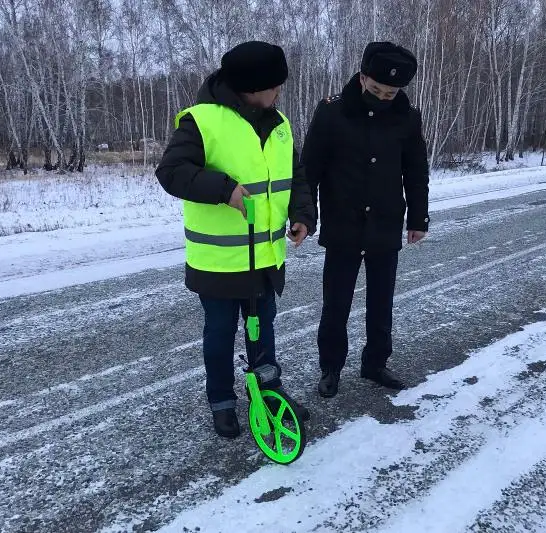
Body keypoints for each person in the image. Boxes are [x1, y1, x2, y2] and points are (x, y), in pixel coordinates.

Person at [155, 41, 316, 438]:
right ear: (251, 86)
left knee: (264, 329)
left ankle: (269, 391)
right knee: (221, 331)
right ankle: (222, 401)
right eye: (275, 85)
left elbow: (295, 177)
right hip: (219, 263)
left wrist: (302, 214)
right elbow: (171, 172)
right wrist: (223, 188)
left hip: (265, 257)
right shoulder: (202, 121)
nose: (280, 91)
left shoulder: (278, 124)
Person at [302, 41, 430, 398]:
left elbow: (416, 171)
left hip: (385, 225)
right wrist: (306, 216)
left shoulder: (407, 117)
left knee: (380, 302)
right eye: (376, 89)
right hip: (343, 225)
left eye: (391, 92)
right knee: (336, 304)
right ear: (362, 77)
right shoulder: (332, 112)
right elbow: (309, 170)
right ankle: (330, 368)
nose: (383, 96)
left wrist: (418, 217)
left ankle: (375, 363)